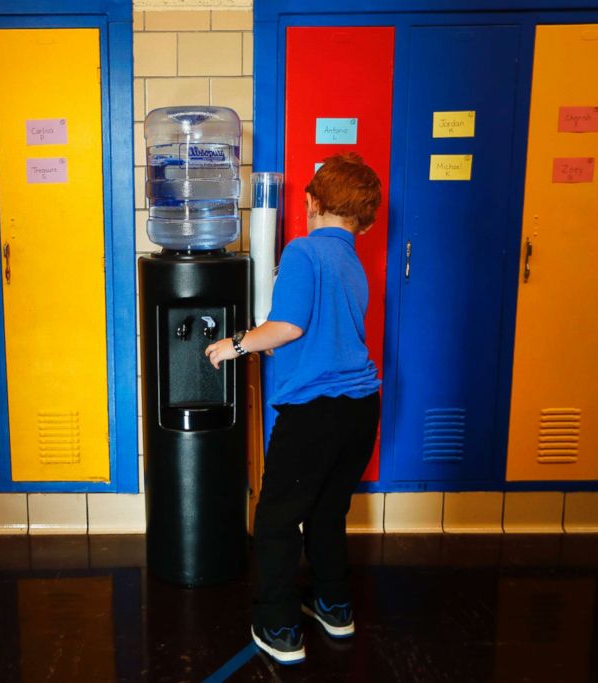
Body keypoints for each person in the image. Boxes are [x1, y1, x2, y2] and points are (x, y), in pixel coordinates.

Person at [205, 152, 382, 665]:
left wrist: (234, 345)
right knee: (328, 513)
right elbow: (327, 332)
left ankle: (279, 629)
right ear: (364, 222)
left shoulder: (304, 253)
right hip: (360, 408)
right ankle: (334, 606)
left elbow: (289, 327)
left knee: (279, 521)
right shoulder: (352, 262)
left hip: (315, 412)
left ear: (311, 202)